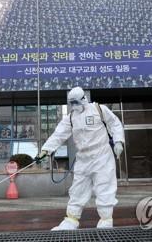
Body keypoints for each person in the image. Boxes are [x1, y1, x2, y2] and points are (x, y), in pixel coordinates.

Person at [35, 87, 124, 230]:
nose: (74, 105)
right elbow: (58, 135)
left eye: (76, 102)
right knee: (77, 189)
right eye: (71, 103)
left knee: (104, 188)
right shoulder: (70, 117)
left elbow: (115, 123)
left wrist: (118, 141)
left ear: (84, 99)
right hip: (83, 158)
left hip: (102, 156)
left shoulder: (99, 109)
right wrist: (45, 150)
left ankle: (106, 221)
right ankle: (71, 220)